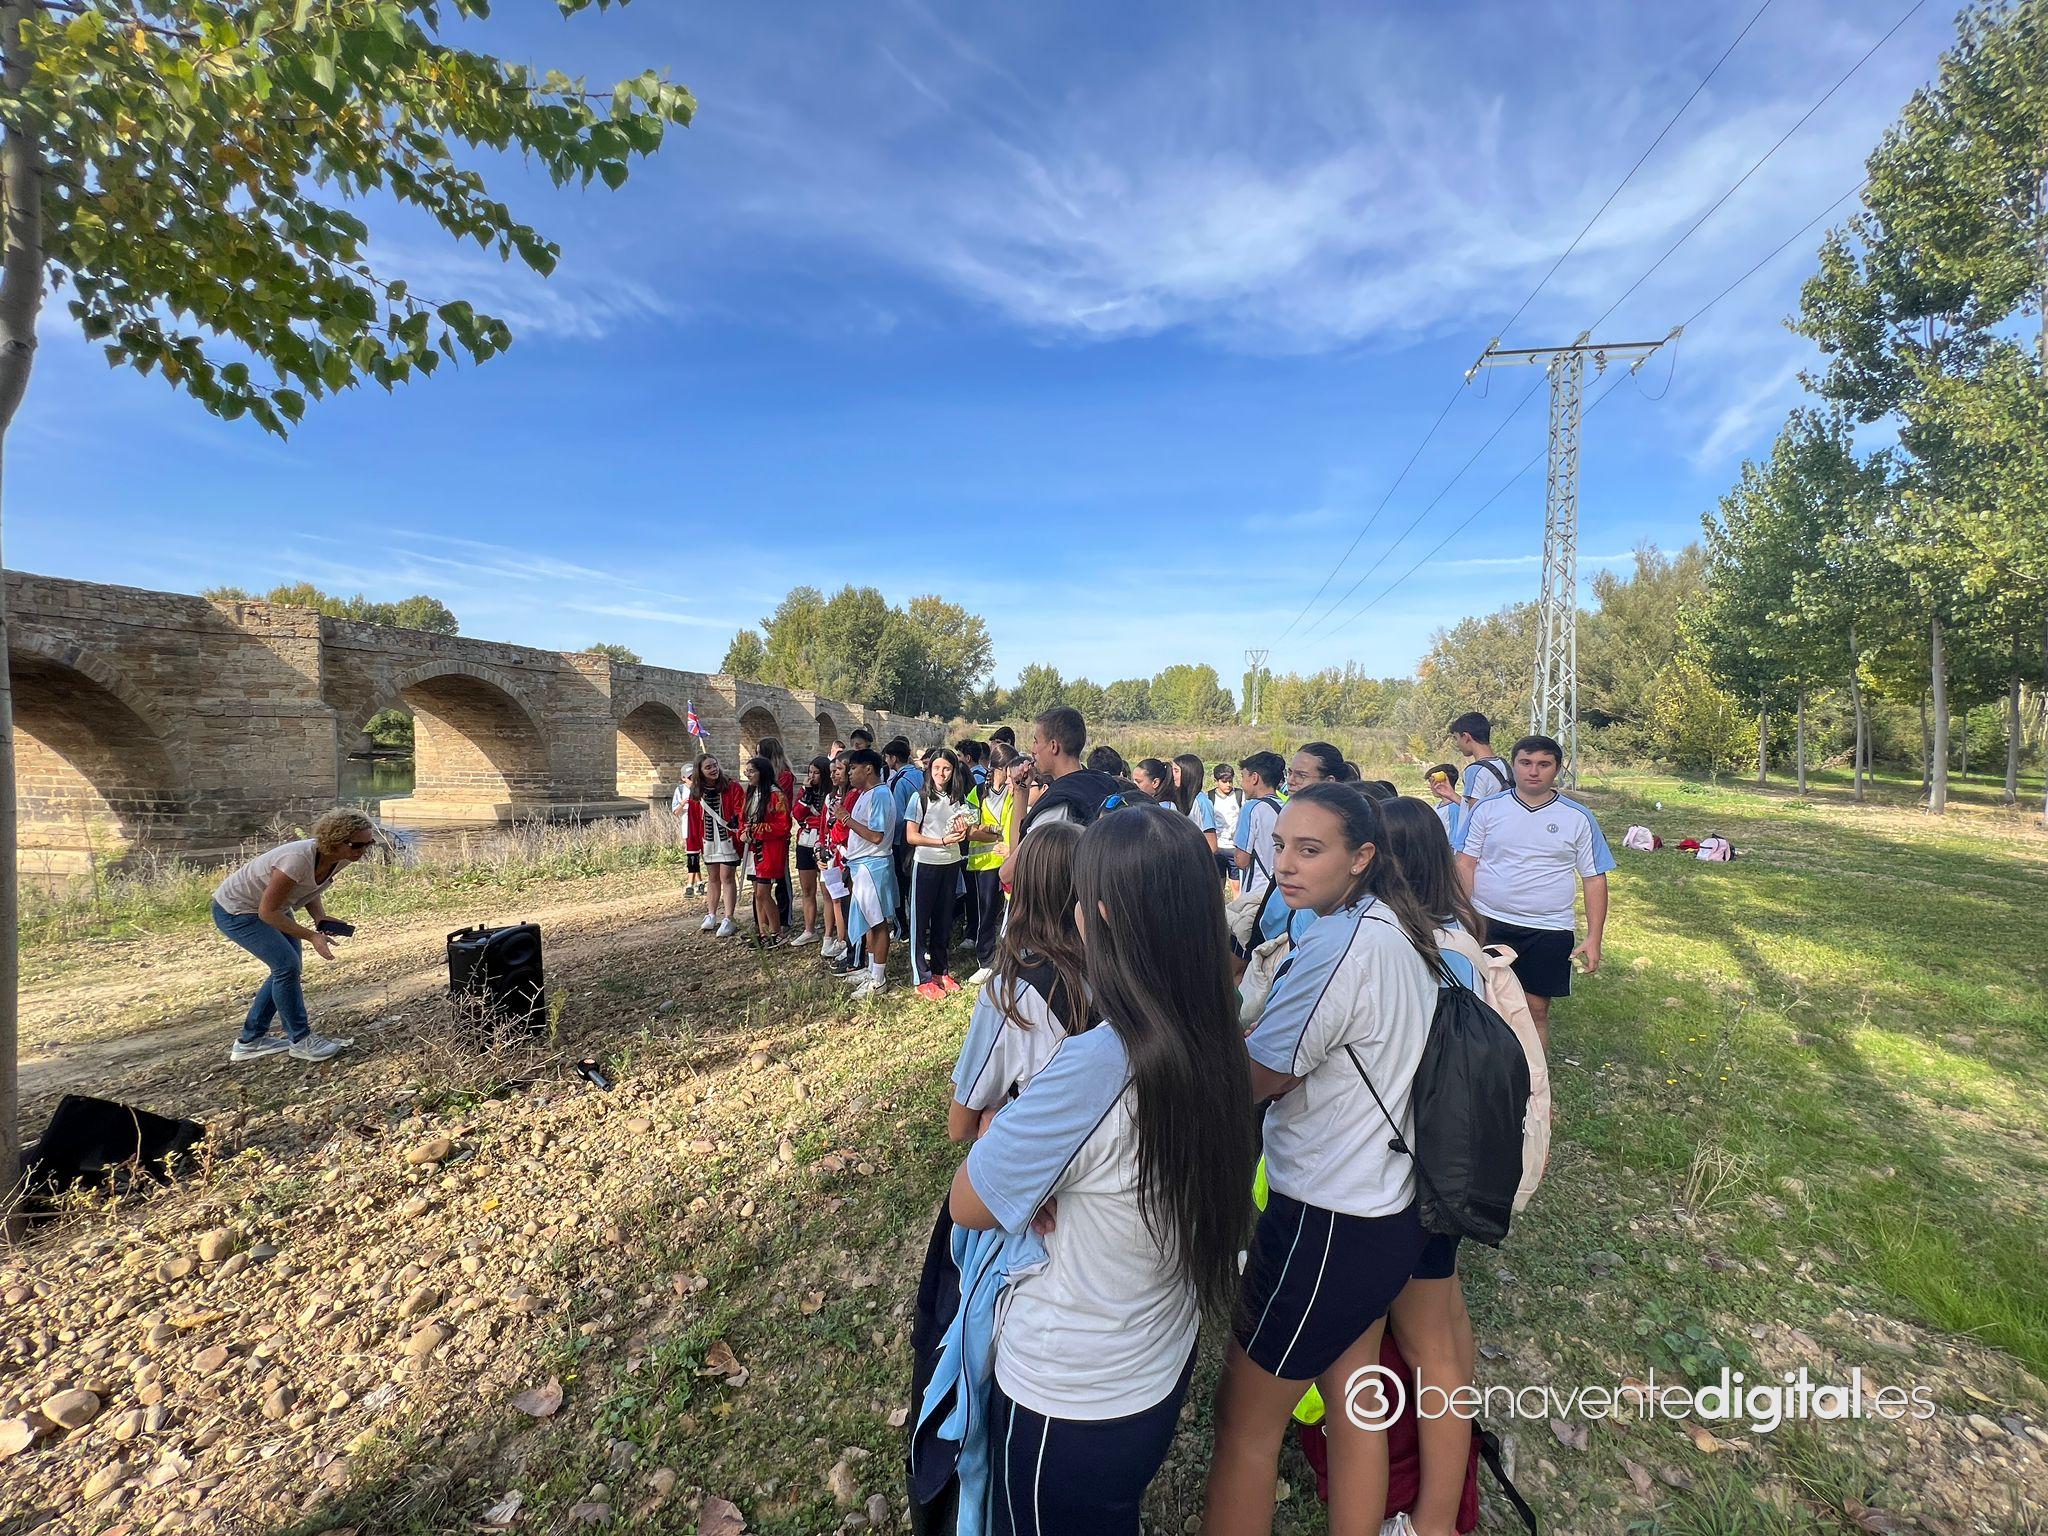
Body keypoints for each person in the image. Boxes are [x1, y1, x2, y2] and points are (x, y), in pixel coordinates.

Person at [950, 806, 1254, 1536]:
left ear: (1103, 914)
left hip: (1070, 1392)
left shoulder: (1099, 1063)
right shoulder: (1216, 1029)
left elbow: (969, 1201)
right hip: (1154, 1357)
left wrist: (1009, 1149)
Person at [1204, 783, 1442, 1535]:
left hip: (1327, 1218)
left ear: (1362, 857)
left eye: (1310, 850)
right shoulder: (1391, 925)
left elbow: (1259, 1078)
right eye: (1281, 846)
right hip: (1383, 1204)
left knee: (1244, 1422)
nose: (1286, 864)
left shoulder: (1338, 946)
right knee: (1352, 1396)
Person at [1375, 796, 1493, 1536]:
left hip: (1408, 1174)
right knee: (1445, 1331)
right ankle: (1451, 1486)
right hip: (1447, 1167)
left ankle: (1435, 1516)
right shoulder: (1457, 940)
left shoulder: (1409, 948)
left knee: (1427, 1349)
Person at [1454, 734, 1612, 1046]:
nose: (1534, 771)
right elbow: (1465, 863)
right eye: (1525, 763)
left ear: (1557, 769)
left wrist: (1594, 937)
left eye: (1544, 764)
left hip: (1548, 928)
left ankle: (1533, 1074)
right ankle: (1489, 1067)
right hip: (1488, 920)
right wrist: (1463, 916)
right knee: (1485, 1002)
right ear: (1513, 766)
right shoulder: (1486, 809)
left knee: (1535, 1009)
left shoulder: (1578, 817)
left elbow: (1594, 878)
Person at [947, 819, 1089, 1140]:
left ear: (1024, 890)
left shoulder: (1011, 993)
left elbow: (960, 1125)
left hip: (1041, 1148)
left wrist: (996, 1119)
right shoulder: (1116, 966)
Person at [211, 807, 377, 1063]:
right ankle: (300, 1040)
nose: (363, 851)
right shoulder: (296, 859)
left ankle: (251, 1041)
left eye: (369, 844)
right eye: (357, 845)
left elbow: (310, 886)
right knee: (286, 967)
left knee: (287, 969)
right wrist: (312, 936)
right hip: (237, 910)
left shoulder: (342, 857)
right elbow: (267, 912)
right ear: (336, 840)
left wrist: (319, 918)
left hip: (275, 907)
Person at [999, 706, 1120, 882]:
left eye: (1036, 741)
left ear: (1053, 746)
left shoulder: (1058, 806)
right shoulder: (1104, 784)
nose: (1033, 749)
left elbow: (1009, 873)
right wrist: (1021, 791)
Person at [905, 747, 974, 999]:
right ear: (929, 769)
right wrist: (942, 841)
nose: (941, 773)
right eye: (936, 768)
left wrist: (962, 832)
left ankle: (940, 970)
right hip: (925, 864)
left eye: (946, 768)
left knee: (944, 920)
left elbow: (965, 831)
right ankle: (921, 977)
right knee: (920, 920)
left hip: (951, 863)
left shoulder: (959, 799)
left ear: (954, 770)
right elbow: (911, 836)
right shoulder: (920, 798)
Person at [839, 747, 899, 998]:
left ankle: (879, 978)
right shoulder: (866, 794)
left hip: (873, 866)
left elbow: (876, 836)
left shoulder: (880, 795)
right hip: (863, 865)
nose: (849, 773)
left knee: (878, 923)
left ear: (869, 769)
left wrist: (846, 819)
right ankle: (873, 969)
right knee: (869, 921)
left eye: (853, 768)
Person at [962, 741, 1017, 985]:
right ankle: (985, 960)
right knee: (985, 913)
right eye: (1009, 768)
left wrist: (989, 829)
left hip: (1008, 860)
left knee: (1008, 912)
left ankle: (1006, 958)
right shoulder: (977, 793)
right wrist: (997, 832)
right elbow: (970, 830)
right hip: (984, 863)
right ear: (998, 768)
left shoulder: (1015, 792)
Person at [685, 755, 746, 938]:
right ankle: (711, 914)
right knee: (712, 877)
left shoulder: (732, 787)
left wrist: (737, 821)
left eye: (715, 765)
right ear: (700, 771)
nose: (713, 769)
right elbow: (693, 822)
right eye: (708, 767)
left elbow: (740, 809)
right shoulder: (696, 793)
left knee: (727, 877)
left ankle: (729, 917)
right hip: (708, 842)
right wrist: (692, 850)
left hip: (728, 840)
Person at [1230, 751, 1288, 943]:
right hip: (1279, 892)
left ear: (1254, 777)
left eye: (1243, 777)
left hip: (1255, 895)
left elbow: (1241, 860)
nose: (1241, 783)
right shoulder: (1288, 806)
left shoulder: (1251, 808)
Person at [741, 756, 791, 948]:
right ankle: (763, 933)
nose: (748, 775)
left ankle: (777, 932)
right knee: (757, 893)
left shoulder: (776, 796)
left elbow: (783, 826)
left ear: (762, 773)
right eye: (747, 771)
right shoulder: (752, 793)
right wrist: (743, 832)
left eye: (751, 771)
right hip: (753, 849)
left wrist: (756, 829)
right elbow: (744, 819)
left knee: (763, 893)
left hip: (770, 849)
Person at [788, 755, 833, 947]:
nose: (812, 776)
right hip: (805, 841)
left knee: (827, 891)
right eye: (810, 772)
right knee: (807, 890)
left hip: (823, 842)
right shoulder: (805, 791)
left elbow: (825, 818)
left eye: (816, 773)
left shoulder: (831, 793)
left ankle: (829, 934)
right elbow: (797, 814)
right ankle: (809, 930)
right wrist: (806, 794)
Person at [884, 737, 924, 940]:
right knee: (916, 885)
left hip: (903, 841)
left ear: (893, 758)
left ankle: (903, 929)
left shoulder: (900, 782)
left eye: (887, 757)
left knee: (900, 886)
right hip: (923, 838)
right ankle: (921, 925)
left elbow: (898, 817)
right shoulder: (921, 774)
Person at [757, 736, 798, 929]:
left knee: (782, 876)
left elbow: (781, 803)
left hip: (778, 831)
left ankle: (784, 918)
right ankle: (762, 922)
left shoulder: (784, 776)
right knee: (760, 880)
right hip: (762, 833)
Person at [1448, 712, 1511, 808]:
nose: (1457, 744)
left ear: (1465, 737)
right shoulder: (1505, 765)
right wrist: (1451, 794)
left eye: (1456, 738)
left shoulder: (1474, 770)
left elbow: (1474, 812)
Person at [670, 773, 705, 899]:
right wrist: (683, 803)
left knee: (696, 854)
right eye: (690, 778)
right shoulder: (680, 790)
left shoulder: (701, 788)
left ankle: (698, 883)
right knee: (692, 855)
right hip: (688, 826)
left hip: (701, 825)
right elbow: (675, 812)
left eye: (694, 777)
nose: (692, 780)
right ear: (684, 778)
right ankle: (692, 884)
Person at [1208, 762, 1242, 888]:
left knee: (1236, 886)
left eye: (1230, 781)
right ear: (1216, 781)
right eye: (1224, 781)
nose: (1228, 785)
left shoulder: (1240, 795)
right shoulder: (1209, 797)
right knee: (1218, 886)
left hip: (1234, 848)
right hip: (1218, 848)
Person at [1425, 762, 1465, 845]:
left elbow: (1453, 840)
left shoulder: (1453, 809)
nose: (1429, 786)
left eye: (1431, 782)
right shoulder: (1438, 806)